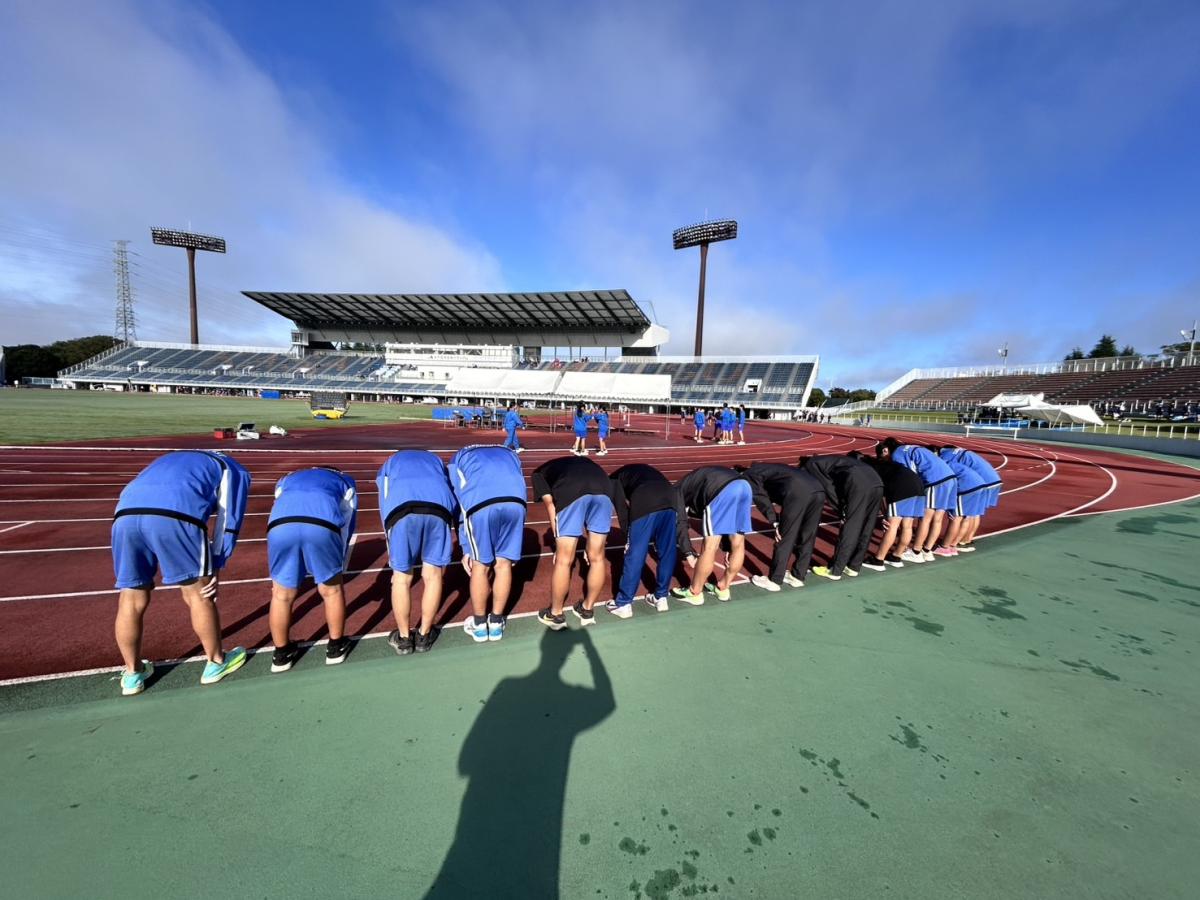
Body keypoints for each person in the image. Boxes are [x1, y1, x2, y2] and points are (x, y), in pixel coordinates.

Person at [111, 450, 251, 695]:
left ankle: (133, 674)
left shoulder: (167, 458)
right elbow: (229, 518)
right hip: (176, 517)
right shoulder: (232, 468)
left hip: (125, 517)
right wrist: (217, 563)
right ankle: (216, 662)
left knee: (131, 597)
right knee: (198, 594)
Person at [266, 466, 358, 672]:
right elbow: (348, 519)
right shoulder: (345, 480)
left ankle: (281, 654)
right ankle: (335, 647)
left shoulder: (288, 478)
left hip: (280, 525)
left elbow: (277, 501)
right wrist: (339, 558)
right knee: (331, 590)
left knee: (281, 594)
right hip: (322, 524)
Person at [378, 449, 457, 655]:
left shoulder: (392, 460)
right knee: (433, 575)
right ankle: (424, 635)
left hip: (402, 510)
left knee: (401, 577)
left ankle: (404, 638)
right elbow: (449, 483)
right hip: (439, 508)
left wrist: (389, 533)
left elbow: (384, 492)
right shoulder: (436, 459)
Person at [447, 444, 528, 643]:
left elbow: (458, 501)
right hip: (516, 503)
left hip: (481, 505)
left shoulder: (458, 456)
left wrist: (466, 547)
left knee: (480, 565)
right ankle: (497, 622)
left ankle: (480, 625)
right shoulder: (510, 453)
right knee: (504, 564)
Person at [532, 455, 615, 629]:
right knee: (597, 557)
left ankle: (555, 614)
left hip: (572, 488)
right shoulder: (582, 462)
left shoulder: (538, 474)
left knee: (564, 560)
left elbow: (550, 507)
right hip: (604, 488)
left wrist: (558, 542)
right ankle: (587, 609)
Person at [606, 463, 681, 617]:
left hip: (646, 497)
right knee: (667, 550)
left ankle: (624, 603)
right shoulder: (631, 471)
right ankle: (661, 597)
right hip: (670, 496)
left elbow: (621, 509)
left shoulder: (612, 481)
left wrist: (629, 536)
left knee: (636, 553)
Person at [671, 466, 752, 603]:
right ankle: (723, 588)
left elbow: (681, 522)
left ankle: (694, 592)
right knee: (738, 543)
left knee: (709, 547)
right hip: (745, 487)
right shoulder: (692, 481)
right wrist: (727, 548)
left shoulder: (675, 493)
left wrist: (688, 553)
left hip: (722, 490)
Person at [739, 462, 824, 591]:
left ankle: (774, 579)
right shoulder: (773, 469)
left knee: (785, 537)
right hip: (818, 490)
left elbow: (760, 496)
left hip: (798, 491)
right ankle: (798, 576)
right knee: (808, 535)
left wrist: (774, 521)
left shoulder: (749, 475)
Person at [798, 454, 885, 580]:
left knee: (851, 527)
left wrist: (842, 511)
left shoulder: (811, 466)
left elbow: (829, 488)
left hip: (858, 482)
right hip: (876, 481)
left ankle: (835, 570)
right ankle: (854, 566)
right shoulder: (827, 461)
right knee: (867, 525)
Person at [875, 437, 957, 561]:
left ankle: (916, 551)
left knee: (925, 518)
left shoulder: (898, 454)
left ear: (886, 450)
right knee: (938, 518)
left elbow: (907, 475)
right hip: (949, 477)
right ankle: (926, 550)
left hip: (935, 480)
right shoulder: (911, 448)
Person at [855, 453, 925, 570]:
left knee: (892, 525)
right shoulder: (883, 464)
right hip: (918, 486)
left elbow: (880, 492)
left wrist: (884, 515)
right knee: (907, 526)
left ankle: (878, 560)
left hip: (902, 488)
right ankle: (896, 556)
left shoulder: (869, 469)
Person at [937, 453, 989, 556]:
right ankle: (953, 545)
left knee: (956, 518)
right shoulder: (951, 463)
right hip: (979, 485)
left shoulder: (942, 465)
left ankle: (945, 547)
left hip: (968, 487)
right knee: (966, 517)